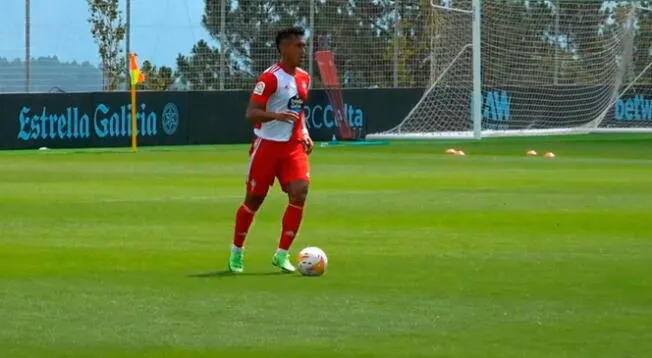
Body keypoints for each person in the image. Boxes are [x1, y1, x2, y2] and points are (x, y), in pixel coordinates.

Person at [228, 27, 313, 273]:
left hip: (292, 147)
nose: (302, 50)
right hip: (267, 146)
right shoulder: (270, 78)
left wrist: (305, 132)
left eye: (304, 45)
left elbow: (299, 110)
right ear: (283, 48)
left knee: (300, 192)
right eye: (298, 46)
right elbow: (251, 113)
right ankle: (237, 251)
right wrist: (275, 115)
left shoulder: (304, 77)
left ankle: (282, 254)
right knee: (253, 201)